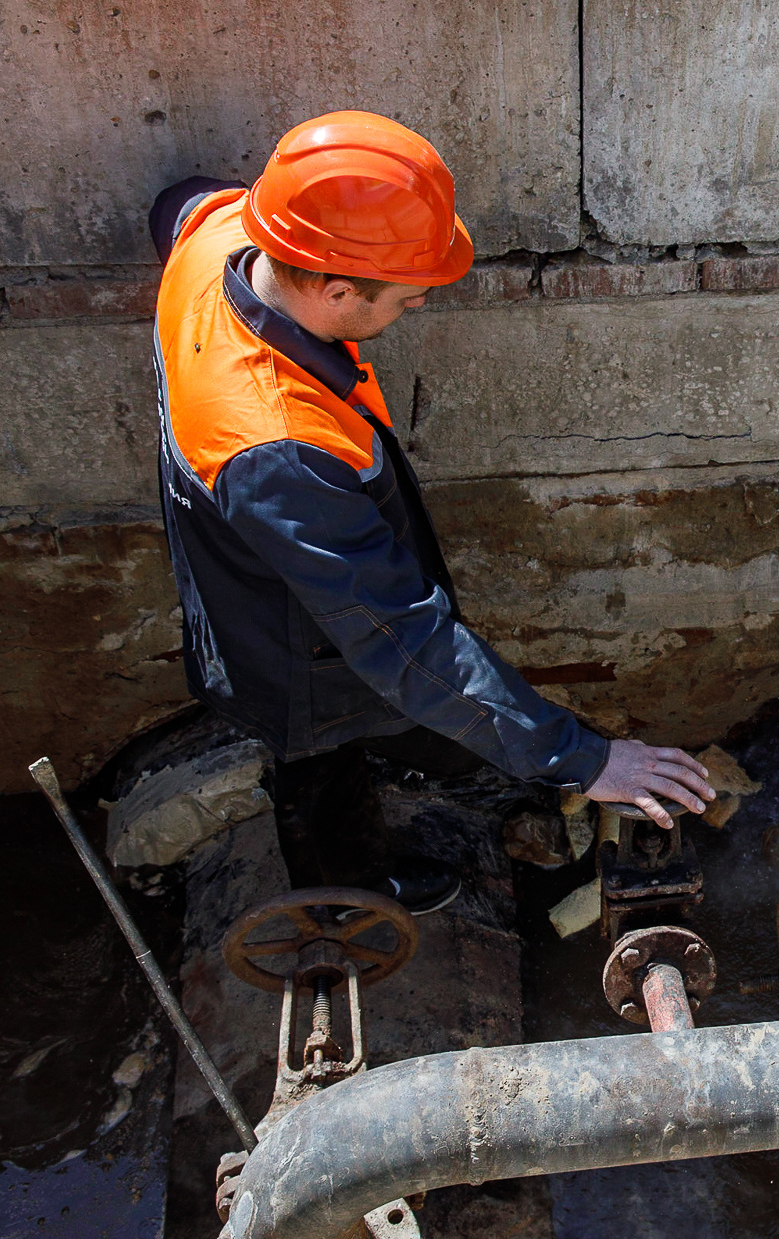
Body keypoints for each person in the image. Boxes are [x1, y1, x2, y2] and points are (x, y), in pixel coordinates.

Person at [148, 111, 713, 912]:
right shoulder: (281, 454)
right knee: (316, 762)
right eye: (408, 300)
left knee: (391, 726)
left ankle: (442, 770)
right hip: (288, 652)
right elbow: (405, 646)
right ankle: (343, 899)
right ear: (337, 288)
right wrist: (586, 760)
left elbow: (176, 202)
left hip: (245, 575)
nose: (416, 308)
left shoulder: (219, 238)